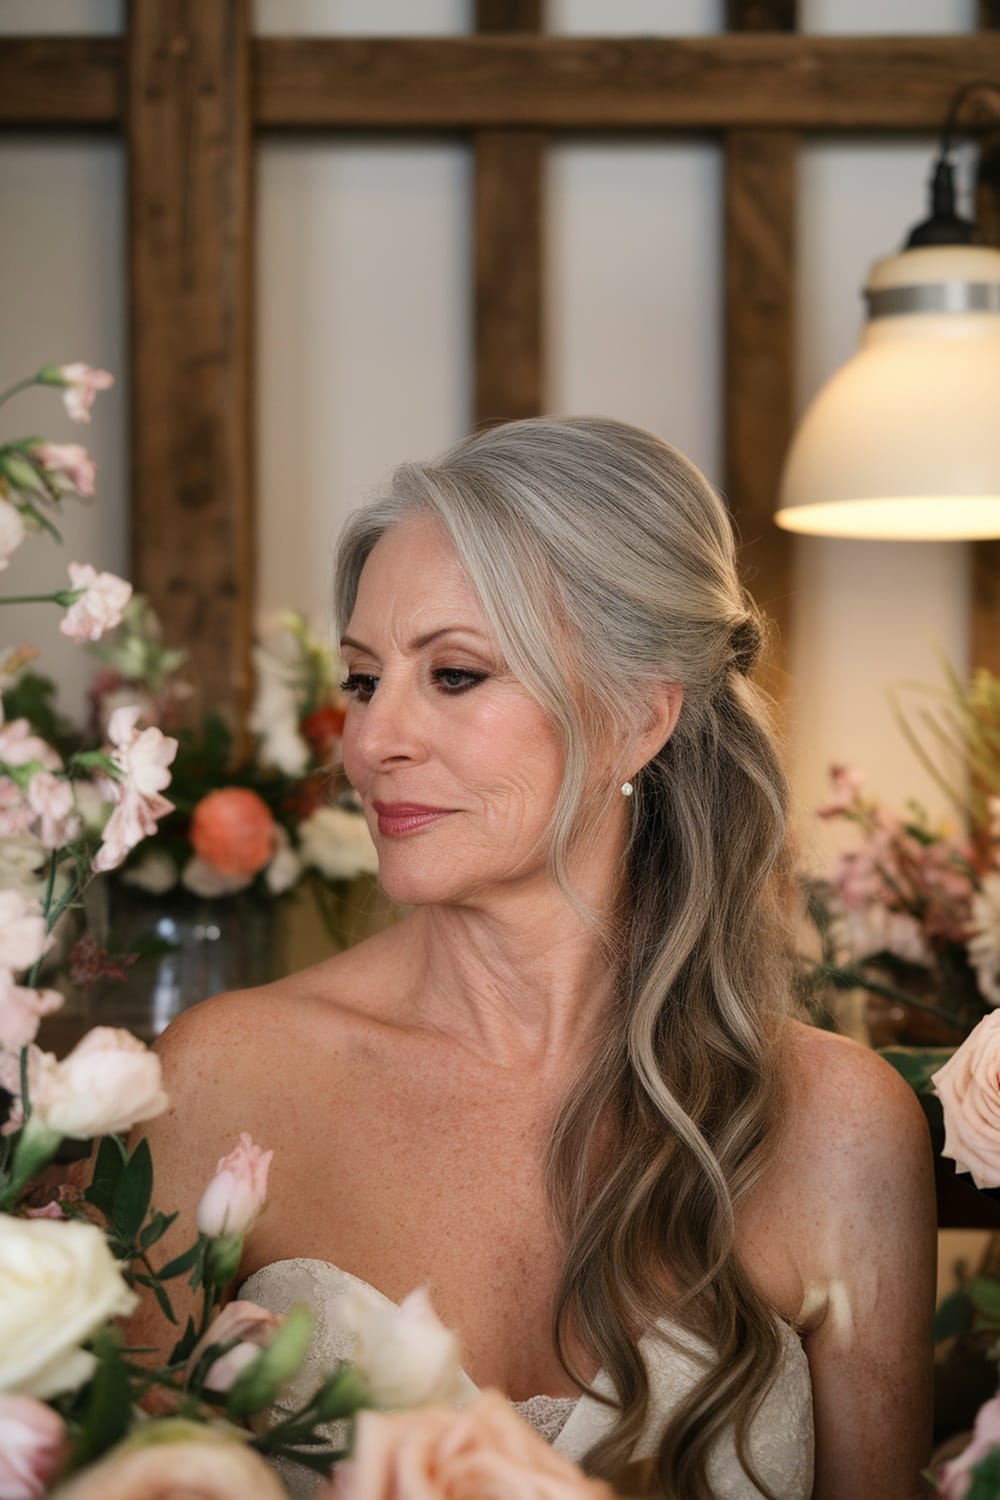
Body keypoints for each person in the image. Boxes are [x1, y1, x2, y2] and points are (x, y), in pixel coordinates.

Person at [130, 416, 936, 1499]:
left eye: (455, 675)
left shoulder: (841, 1129)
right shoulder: (220, 1082)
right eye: (363, 680)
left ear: (636, 720)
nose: (370, 743)